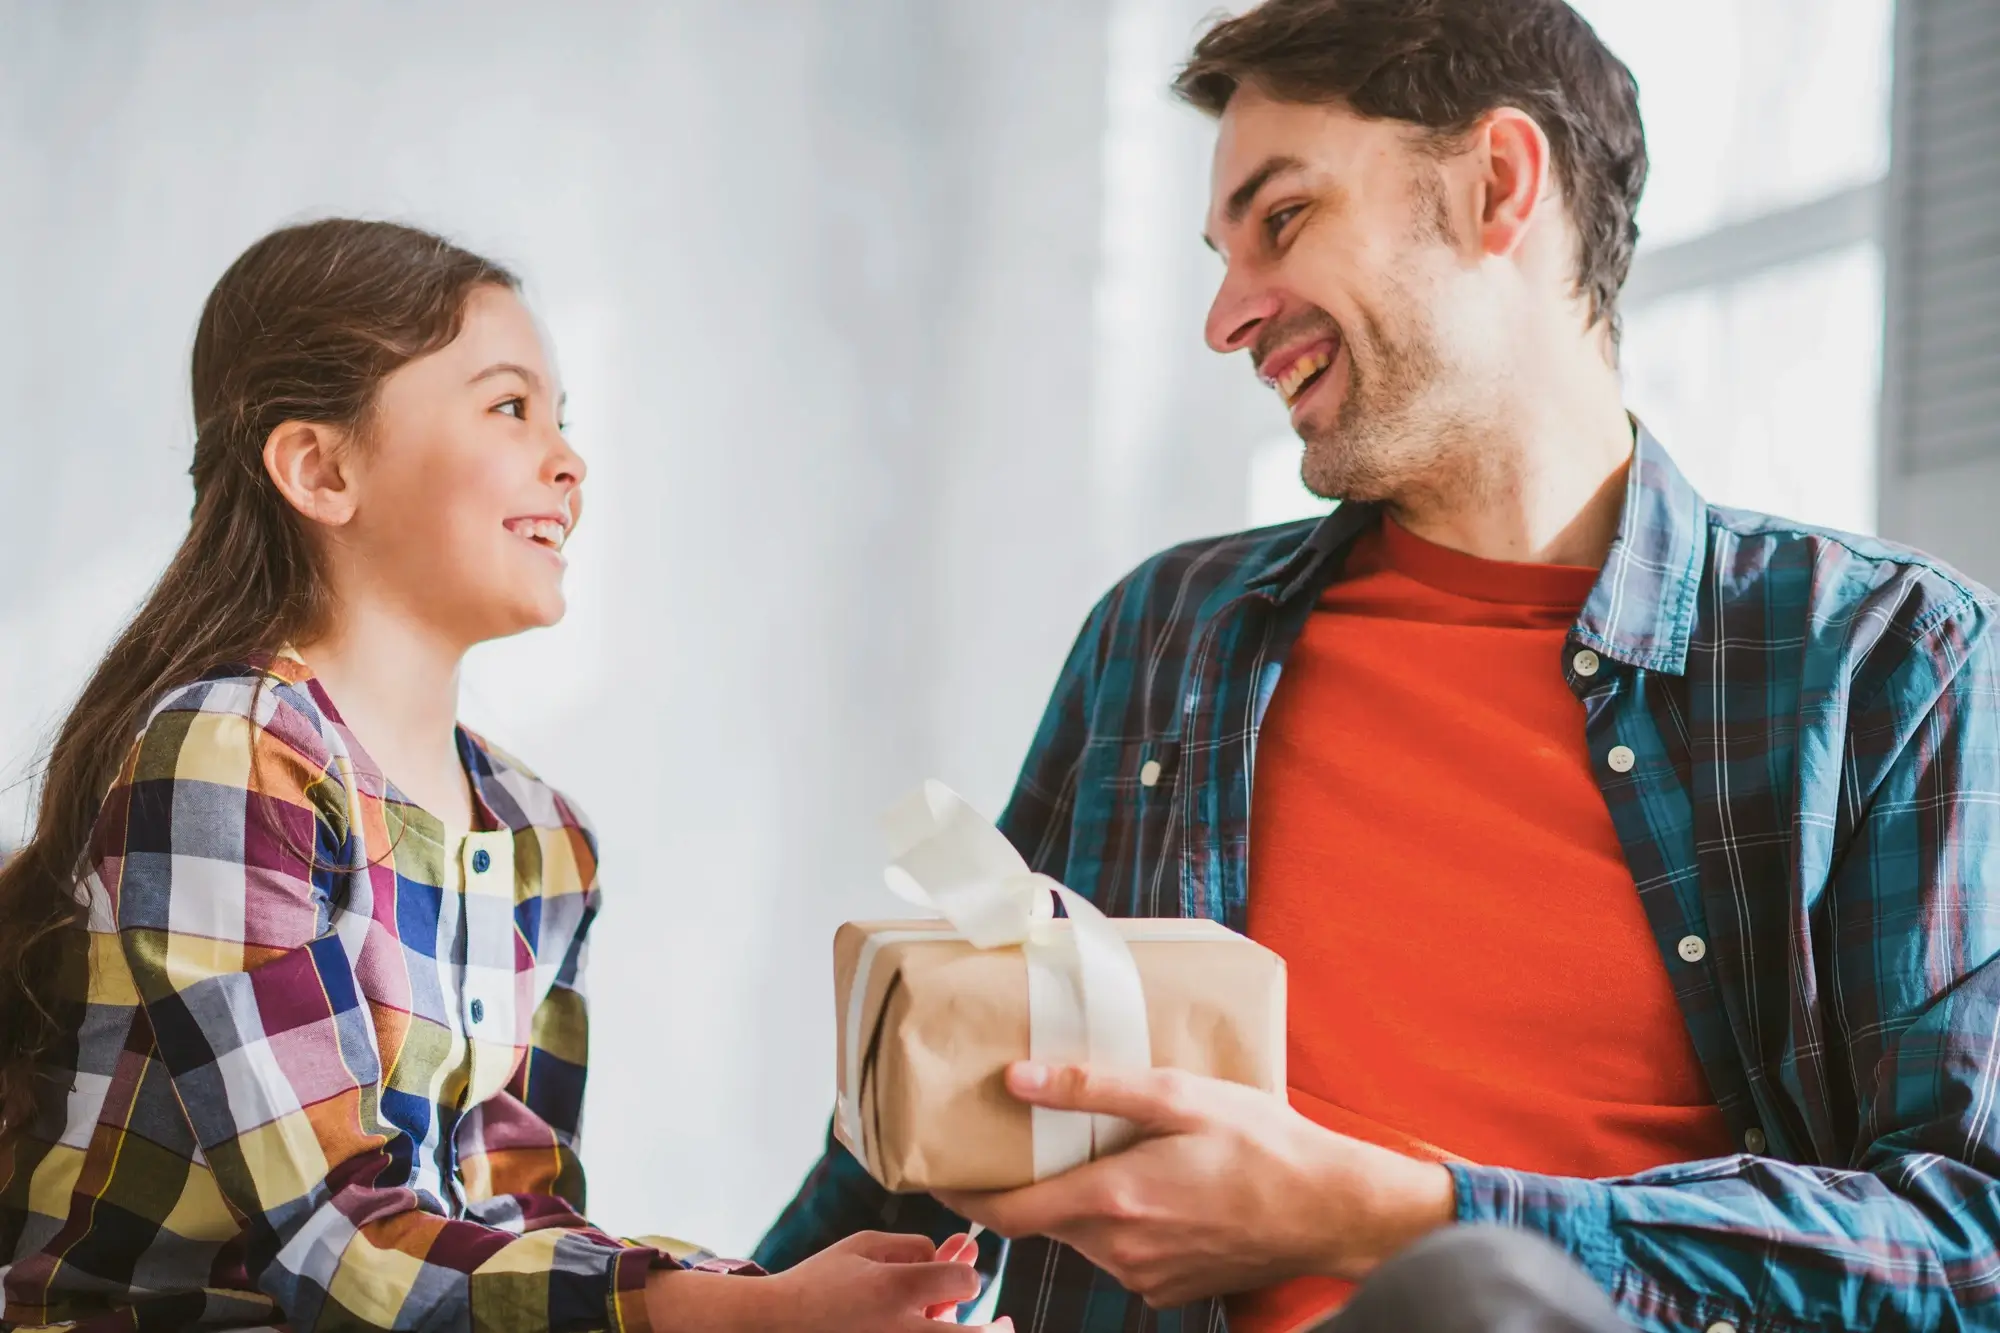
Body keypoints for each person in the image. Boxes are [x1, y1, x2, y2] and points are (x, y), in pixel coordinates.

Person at [757, 1, 2000, 1330]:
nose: (1227, 318)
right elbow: (916, 1136)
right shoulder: (1167, 636)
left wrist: (1394, 1210)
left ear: (1497, 186)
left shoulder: (1885, 663)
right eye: (1221, 254)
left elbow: (1967, 1243)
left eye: (1282, 219)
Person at [0, 219, 999, 1333]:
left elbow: (509, 1218)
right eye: (511, 407)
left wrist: (785, 1300)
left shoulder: (540, 835)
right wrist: (741, 1318)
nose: (569, 461)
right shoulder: (230, 755)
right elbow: (334, 1241)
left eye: (562, 419)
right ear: (320, 468)